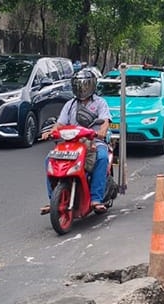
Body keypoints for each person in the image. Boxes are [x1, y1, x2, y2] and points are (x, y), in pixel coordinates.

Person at [39, 69, 111, 214]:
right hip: (72, 143)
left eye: (85, 85)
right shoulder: (69, 104)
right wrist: (50, 132)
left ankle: (96, 198)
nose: (82, 88)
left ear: (92, 86)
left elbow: (105, 121)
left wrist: (102, 131)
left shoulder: (100, 103)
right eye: (78, 85)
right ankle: (53, 198)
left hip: (94, 141)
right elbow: (60, 124)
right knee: (49, 160)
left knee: (102, 158)